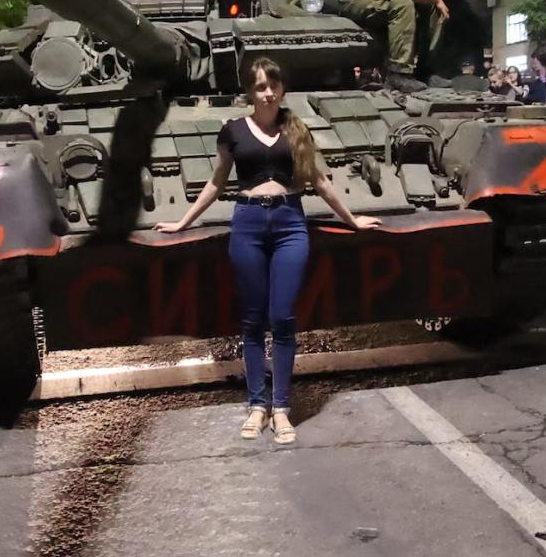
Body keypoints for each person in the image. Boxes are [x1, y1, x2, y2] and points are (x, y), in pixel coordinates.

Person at [155, 57, 380, 442]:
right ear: (250, 91)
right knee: (253, 320)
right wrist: (182, 222)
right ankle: (257, 405)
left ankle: (281, 408)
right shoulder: (232, 131)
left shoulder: (296, 129)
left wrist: (353, 220)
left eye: (274, 86)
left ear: (282, 89)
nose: (268, 93)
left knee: (283, 316)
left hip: (291, 223)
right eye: (260, 87)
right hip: (248, 224)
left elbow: (321, 182)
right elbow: (216, 182)